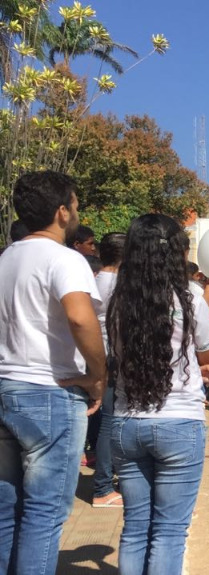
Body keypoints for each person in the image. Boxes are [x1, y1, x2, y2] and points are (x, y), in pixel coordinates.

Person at [0, 172, 106, 575]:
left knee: (6, 509)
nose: (77, 213)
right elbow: (80, 318)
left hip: (6, 385)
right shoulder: (65, 258)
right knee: (45, 513)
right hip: (49, 391)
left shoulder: (6, 258)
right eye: (75, 205)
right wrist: (97, 374)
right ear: (62, 212)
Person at [107, 213, 209, 575]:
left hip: (127, 421)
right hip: (179, 421)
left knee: (135, 529)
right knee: (169, 533)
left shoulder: (117, 299)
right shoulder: (190, 298)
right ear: (176, 253)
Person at [91, 232, 127, 508]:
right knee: (111, 421)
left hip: (95, 359)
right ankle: (102, 487)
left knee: (105, 420)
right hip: (112, 361)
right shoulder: (117, 286)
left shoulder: (92, 281)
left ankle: (106, 479)